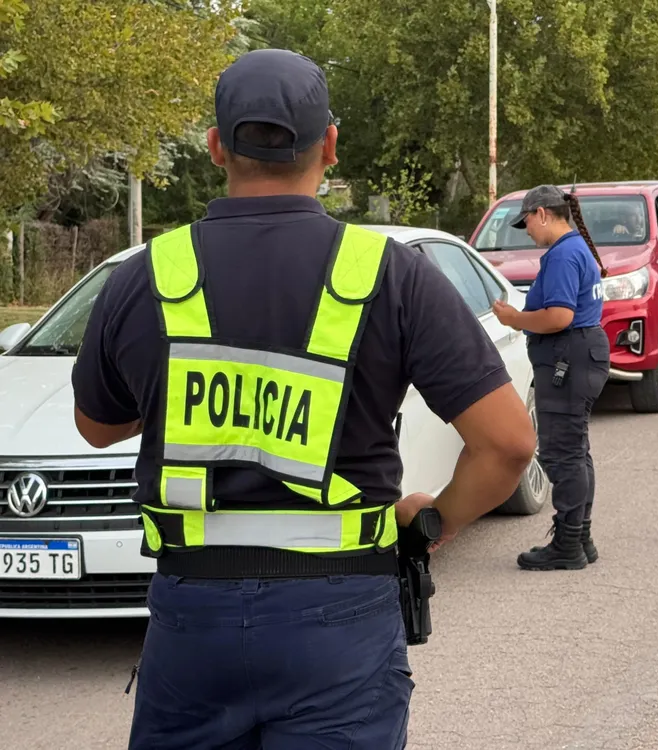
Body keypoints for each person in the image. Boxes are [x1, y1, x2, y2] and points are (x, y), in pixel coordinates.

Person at [71, 48, 537, 750]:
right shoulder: (391, 275)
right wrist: (433, 523)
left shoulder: (144, 276)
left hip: (193, 621)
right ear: (331, 146)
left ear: (217, 146)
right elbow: (508, 444)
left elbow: (96, 426)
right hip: (341, 622)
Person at [491, 185, 611, 571]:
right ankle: (580, 537)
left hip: (567, 358)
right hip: (581, 354)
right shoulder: (576, 249)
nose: (527, 230)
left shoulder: (561, 255)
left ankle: (567, 544)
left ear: (542, 213)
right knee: (576, 451)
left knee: (562, 454)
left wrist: (514, 320)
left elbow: (559, 316)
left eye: (526, 221)